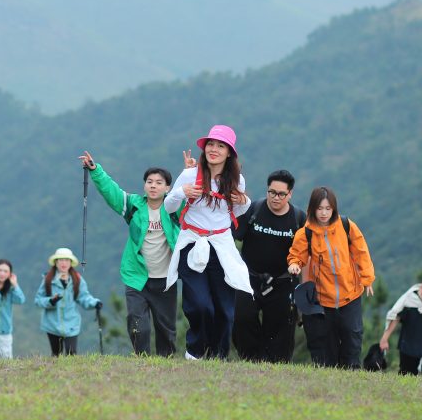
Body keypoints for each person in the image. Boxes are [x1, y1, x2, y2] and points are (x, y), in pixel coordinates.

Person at [164, 124, 252, 360]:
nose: (214, 149)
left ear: (229, 152)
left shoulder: (237, 180)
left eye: (220, 146)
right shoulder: (189, 175)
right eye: (211, 144)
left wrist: (243, 201)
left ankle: (218, 356)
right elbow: (168, 206)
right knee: (200, 305)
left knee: (225, 310)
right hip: (192, 243)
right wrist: (182, 192)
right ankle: (195, 351)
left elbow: (238, 211)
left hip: (221, 245)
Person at [80, 151, 179, 357]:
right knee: (138, 325)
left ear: (168, 188)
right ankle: (141, 359)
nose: (153, 186)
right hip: (137, 277)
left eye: (159, 183)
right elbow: (112, 192)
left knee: (166, 329)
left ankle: (166, 364)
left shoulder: (174, 208)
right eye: (149, 182)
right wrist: (95, 170)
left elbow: (195, 198)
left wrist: (191, 172)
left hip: (166, 279)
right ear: (144, 186)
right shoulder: (134, 205)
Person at [287, 186, 375, 368]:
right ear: (312, 209)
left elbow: (361, 252)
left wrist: (367, 279)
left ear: (334, 208)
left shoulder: (346, 225)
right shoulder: (306, 233)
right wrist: (294, 264)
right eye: (319, 208)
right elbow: (296, 254)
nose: (324, 213)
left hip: (350, 294)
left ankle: (351, 373)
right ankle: (329, 376)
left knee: (352, 338)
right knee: (326, 344)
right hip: (322, 298)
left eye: (328, 208)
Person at [232, 169, 307, 363]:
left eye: (281, 194)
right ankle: (251, 359)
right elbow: (233, 236)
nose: (275, 198)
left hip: (282, 282)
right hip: (249, 278)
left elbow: (307, 252)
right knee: (242, 319)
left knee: (280, 329)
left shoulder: (299, 219)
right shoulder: (254, 209)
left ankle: (274, 364)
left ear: (290, 194)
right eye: (271, 192)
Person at [34, 247, 102, 356]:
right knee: (56, 354)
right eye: (60, 260)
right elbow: (38, 300)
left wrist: (95, 303)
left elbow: (83, 297)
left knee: (71, 353)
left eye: (66, 260)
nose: (63, 263)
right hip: (52, 324)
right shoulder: (48, 279)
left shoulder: (77, 279)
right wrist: (51, 301)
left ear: (71, 263)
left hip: (72, 323)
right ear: (56, 262)